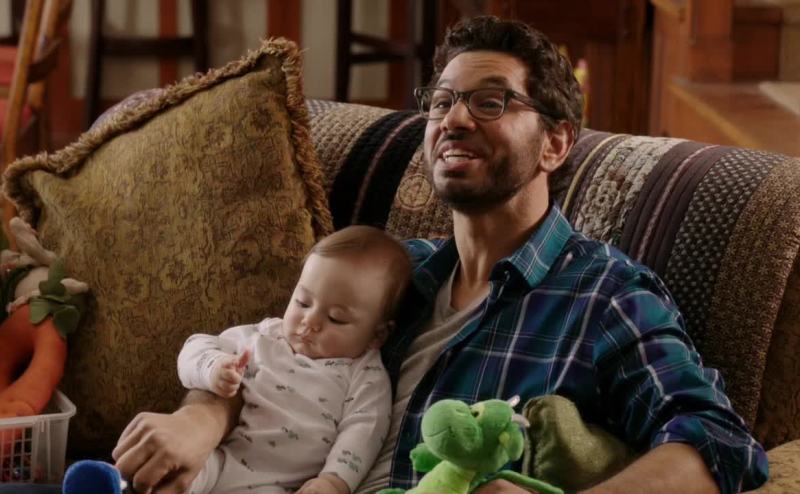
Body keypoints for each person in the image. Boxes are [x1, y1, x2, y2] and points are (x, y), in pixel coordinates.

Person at [108, 15, 767, 494]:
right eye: (443, 102)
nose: (454, 119)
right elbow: (271, 356)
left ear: (555, 144)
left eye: (490, 102)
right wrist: (200, 419)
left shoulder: (606, 294)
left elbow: (716, 441)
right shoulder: (389, 272)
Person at [176, 225, 410, 494]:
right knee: (168, 474)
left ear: (377, 335)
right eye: (303, 302)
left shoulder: (364, 375)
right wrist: (213, 366)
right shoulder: (266, 335)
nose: (309, 321)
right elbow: (196, 345)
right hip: (214, 462)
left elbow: (365, 431)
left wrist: (334, 481)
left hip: (278, 486)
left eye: (336, 318)